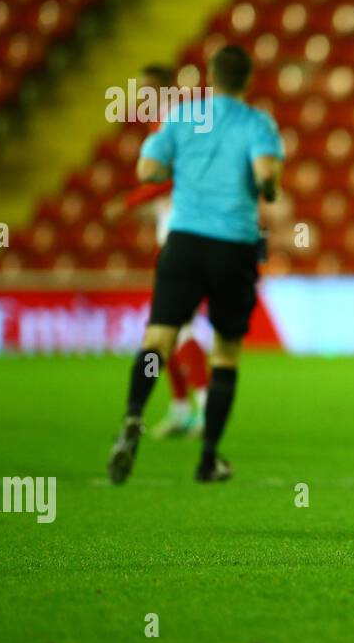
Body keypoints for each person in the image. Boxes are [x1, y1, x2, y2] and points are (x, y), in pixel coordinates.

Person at [106, 45, 283, 483]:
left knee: (158, 338)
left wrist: (181, 168)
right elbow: (266, 176)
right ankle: (208, 457)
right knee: (225, 352)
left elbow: (147, 169)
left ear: (209, 76)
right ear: (248, 81)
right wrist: (267, 185)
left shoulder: (183, 117)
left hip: (182, 243)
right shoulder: (257, 122)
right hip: (232, 246)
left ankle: (133, 416)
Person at [103, 63, 210, 438]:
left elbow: (171, 179)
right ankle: (183, 407)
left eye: (149, 89)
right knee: (167, 328)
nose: (142, 98)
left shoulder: (172, 124)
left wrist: (128, 202)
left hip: (186, 235)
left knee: (176, 326)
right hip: (178, 232)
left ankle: (204, 405)